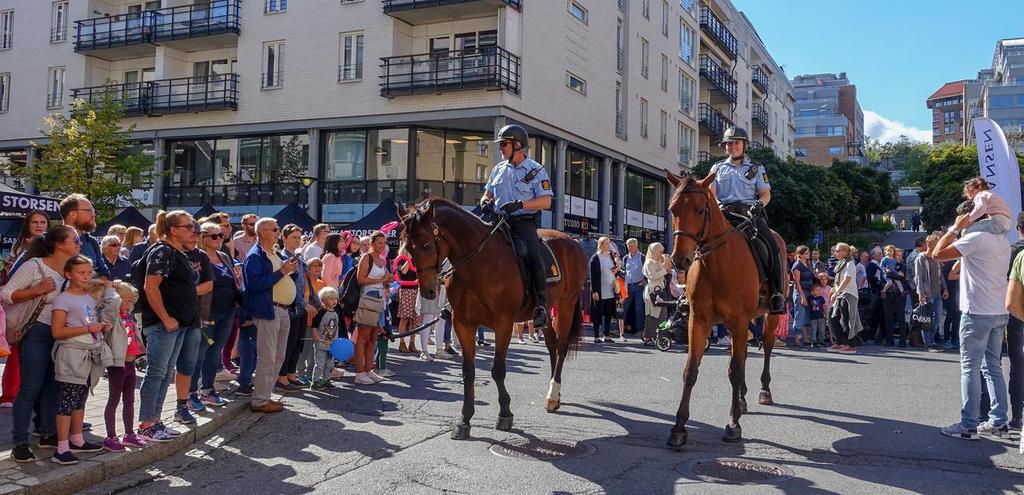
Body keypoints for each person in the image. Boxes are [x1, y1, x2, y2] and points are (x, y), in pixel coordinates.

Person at [3, 226, 80, 463]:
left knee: (54, 385)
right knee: (30, 387)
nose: (79, 243)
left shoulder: (71, 270)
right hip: (36, 331)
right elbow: (6, 294)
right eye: (74, 239)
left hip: (62, 333)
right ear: (59, 244)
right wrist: (38, 290)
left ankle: (47, 433)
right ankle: (19, 443)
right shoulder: (35, 266)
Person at [933, 210, 1011, 439]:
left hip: (977, 311)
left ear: (970, 218)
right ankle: (999, 421)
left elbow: (936, 254)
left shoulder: (974, 238)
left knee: (970, 367)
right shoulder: (1002, 239)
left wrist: (954, 229)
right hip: (998, 309)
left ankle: (968, 424)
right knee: (993, 367)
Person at [479, 123, 554, 327]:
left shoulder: (536, 170)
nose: (501, 148)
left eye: (504, 144)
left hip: (523, 223)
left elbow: (546, 202)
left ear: (517, 146)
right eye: (501, 144)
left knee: (533, 255)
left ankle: (540, 306)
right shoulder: (498, 169)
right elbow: (487, 194)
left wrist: (521, 204)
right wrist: (484, 202)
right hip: (498, 221)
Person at [707, 126, 786, 314]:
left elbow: (766, 194)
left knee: (773, 247)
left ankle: (777, 294)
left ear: (744, 145)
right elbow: (710, 193)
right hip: (723, 214)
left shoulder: (756, 168)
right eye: (729, 144)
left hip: (749, 215)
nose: (732, 146)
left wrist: (759, 204)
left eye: (736, 143)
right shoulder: (717, 168)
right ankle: (691, 293)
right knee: (698, 242)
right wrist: (717, 204)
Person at [136, 210, 199, 442]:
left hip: (178, 324)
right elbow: (150, 287)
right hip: (164, 325)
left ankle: (155, 420)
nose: (193, 231)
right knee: (156, 374)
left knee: (165, 374)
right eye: (188, 227)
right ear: (174, 230)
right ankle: (146, 424)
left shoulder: (178, 253)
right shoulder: (162, 250)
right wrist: (165, 318)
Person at [49, 256, 111, 465]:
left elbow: (90, 320)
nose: (86, 277)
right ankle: (62, 447)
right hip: (72, 355)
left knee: (80, 398)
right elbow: (57, 331)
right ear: (69, 274)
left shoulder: (89, 297)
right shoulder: (64, 299)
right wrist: (87, 329)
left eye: (88, 272)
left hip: (88, 353)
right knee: (67, 401)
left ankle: (77, 439)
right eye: (80, 273)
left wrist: (101, 327)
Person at [242, 218, 297, 412]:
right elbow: (255, 284)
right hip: (269, 309)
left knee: (278, 356)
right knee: (268, 356)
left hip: (282, 309)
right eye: (275, 229)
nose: (278, 232)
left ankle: (266, 395)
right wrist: (282, 271)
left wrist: (288, 270)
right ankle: (259, 400)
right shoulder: (255, 255)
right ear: (263, 232)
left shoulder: (272, 252)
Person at [0, 210, 50, 408]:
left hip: (41, 304)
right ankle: (11, 393)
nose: (38, 225)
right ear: (27, 225)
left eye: (43, 222)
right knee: (17, 350)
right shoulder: (20, 246)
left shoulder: (51, 245)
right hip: (22, 303)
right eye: (34, 222)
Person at [186, 222, 238, 411]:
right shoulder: (197, 258)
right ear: (203, 237)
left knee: (215, 351)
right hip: (206, 312)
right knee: (199, 352)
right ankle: (190, 393)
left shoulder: (223, 256)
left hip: (227, 310)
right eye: (214, 236)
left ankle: (208, 390)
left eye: (221, 236)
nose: (218, 239)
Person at [102, 281, 147, 452]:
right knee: (114, 399)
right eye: (125, 300)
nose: (129, 304)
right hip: (117, 364)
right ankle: (110, 436)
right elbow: (112, 305)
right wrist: (111, 290)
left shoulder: (128, 316)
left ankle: (129, 433)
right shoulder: (112, 316)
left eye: (131, 301)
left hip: (130, 362)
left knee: (130, 399)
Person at [277, 224, 320, 390]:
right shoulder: (283, 258)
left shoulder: (300, 258)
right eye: (294, 237)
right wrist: (304, 303)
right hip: (290, 308)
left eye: (299, 237)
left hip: (302, 309)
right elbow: (289, 286)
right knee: (288, 343)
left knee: (298, 343)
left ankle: (291, 373)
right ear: (284, 238)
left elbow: (307, 283)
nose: (297, 240)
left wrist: (316, 302)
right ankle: (281, 377)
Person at [352, 231, 393, 385]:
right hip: (368, 298)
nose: (382, 245)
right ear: (372, 243)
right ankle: (359, 373)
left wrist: (388, 280)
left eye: (384, 243)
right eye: (379, 242)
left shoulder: (382, 260)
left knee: (373, 338)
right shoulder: (366, 257)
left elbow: (385, 280)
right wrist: (382, 279)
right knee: (363, 338)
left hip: (380, 299)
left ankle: (369, 370)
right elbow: (360, 279)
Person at [60, 194, 109, 280]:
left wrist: (94, 284)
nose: (93, 215)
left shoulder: (92, 242)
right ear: (73, 214)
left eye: (93, 211)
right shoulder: (49, 241)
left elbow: (104, 273)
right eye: (89, 210)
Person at [827, 243, 861, 354]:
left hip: (849, 294)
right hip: (841, 294)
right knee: (832, 316)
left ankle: (851, 345)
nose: (836, 253)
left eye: (838, 251)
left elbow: (847, 279)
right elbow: (838, 279)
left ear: (845, 252)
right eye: (835, 251)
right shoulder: (841, 263)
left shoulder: (850, 263)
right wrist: (834, 290)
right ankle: (839, 342)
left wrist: (836, 292)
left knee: (848, 320)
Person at [915, 235, 946, 351]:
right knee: (927, 319)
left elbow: (940, 274)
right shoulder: (921, 258)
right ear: (928, 244)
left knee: (938, 319)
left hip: (937, 292)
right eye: (935, 243)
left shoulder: (936, 257)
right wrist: (921, 294)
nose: (937, 245)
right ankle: (928, 344)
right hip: (927, 293)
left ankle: (931, 341)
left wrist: (945, 288)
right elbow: (918, 277)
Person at [311, 287, 342, 390]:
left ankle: (326, 379)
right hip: (321, 343)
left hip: (332, 344)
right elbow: (314, 325)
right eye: (331, 299)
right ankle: (315, 381)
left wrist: (337, 340)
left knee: (329, 364)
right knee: (320, 364)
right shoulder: (321, 312)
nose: (334, 301)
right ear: (324, 300)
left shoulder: (336, 313)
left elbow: (336, 328)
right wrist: (315, 336)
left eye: (335, 298)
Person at [588, 237, 618, 344]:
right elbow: (592, 276)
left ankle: (607, 335)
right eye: (607, 244)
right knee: (598, 314)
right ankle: (596, 336)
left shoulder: (610, 256)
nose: (609, 246)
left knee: (608, 314)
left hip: (610, 290)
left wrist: (615, 270)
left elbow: (613, 270)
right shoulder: (595, 258)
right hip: (600, 290)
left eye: (609, 244)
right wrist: (594, 291)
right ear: (601, 245)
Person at [642, 242, 672, 344]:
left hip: (660, 291)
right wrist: (664, 270)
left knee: (662, 314)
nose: (660, 254)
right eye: (659, 251)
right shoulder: (649, 263)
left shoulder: (657, 262)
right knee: (652, 315)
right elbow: (652, 276)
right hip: (653, 291)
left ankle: (658, 335)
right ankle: (648, 336)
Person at [393, 250, 421, 355]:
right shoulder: (402, 260)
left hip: (416, 290)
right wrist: (408, 258)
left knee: (414, 318)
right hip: (406, 290)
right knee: (404, 317)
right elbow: (404, 272)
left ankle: (412, 343)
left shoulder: (417, 260)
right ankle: (402, 342)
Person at [621, 238, 646, 337]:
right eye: (628, 246)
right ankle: (621, 330)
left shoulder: (642, 257)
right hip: (627, 286)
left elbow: (646, 271)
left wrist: (644, 281)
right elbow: (624, 271)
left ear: (636, 246)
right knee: (624, 308)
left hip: (638, 286)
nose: (629, 248)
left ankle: (640, 330)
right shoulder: (625, 258)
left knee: (638, 309)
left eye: (631, 246)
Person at [790, 246, 814, 348]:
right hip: (801, 292)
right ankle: (797, 339)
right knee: (799, 316)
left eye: (808, 253)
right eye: (806, 253)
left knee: (806, 317)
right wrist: (802, 296)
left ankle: (805, 338)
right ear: (800, 255)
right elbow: (797, 283)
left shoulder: (807, 264)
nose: (808, 255)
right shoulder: (797, 265)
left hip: (809, 292)